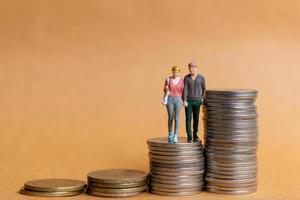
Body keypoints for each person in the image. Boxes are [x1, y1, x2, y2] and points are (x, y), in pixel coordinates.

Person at [183, 62, 206, 143]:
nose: (190, 70)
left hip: (197, 101)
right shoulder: (186, 78)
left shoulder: (201, 77)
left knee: (196, 118)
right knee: (188, 118)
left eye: (192, 68)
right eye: (189, 68)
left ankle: (195, 134)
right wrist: (184, 100)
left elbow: (204, 89)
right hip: (188, 101)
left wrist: (202, 98)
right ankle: (189, 136)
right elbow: (185, 89)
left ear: (196, 68)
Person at [162, 66, 184, 143]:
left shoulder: (182, 81)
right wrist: (166, 88)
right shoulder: (168, 79)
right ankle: (170, 133)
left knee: (177, 118)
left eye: (177, 71)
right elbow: (164, 89)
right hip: (170, 99)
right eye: (174, 71)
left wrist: (184, 100)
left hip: (178, 99)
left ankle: (176, 135)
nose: (175, 73)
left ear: (179, 72)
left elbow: (183, 92)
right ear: (172, 71)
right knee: (170, 116)